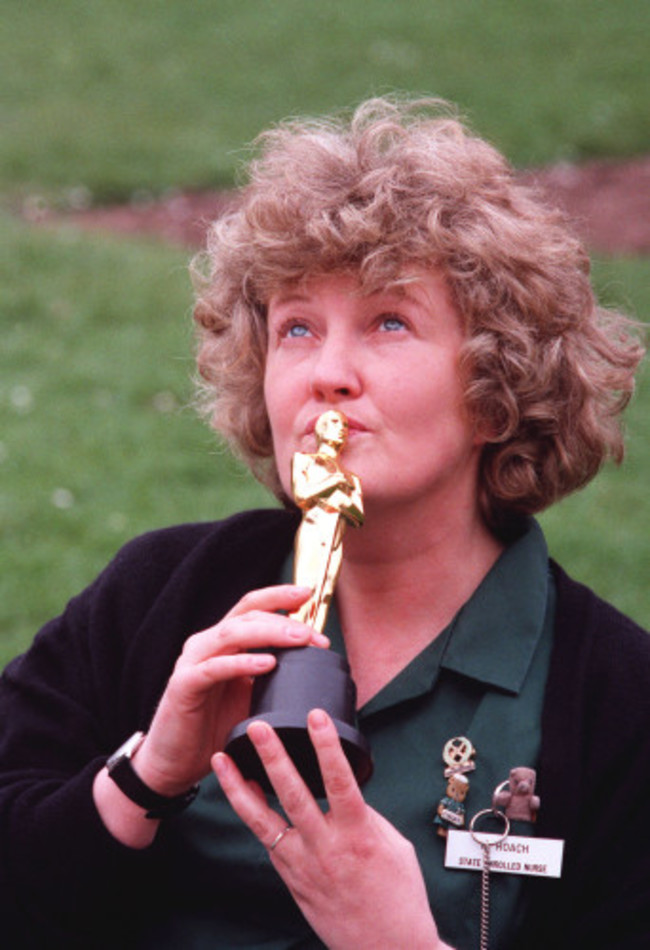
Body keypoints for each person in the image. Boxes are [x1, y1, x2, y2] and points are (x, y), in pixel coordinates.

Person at [0, 96, 647, 950]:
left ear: (497, 389)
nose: (327, 373)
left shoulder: (613, 696)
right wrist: (145, 779)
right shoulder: (159, 596)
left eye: (388, 322)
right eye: (297, 327)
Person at [290, 408, 364, 632]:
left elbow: (357, 515)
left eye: (343, 425)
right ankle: (297, 638)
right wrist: (332, 484)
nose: (341, 429)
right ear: (320, 428)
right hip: (313, 531)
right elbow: (303, 495)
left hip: (335, 535)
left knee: (325, 589)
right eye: (333, 423)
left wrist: (339, 500)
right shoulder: (305, 461)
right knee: (305, 589)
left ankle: (312, 637)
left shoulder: (350, 478)